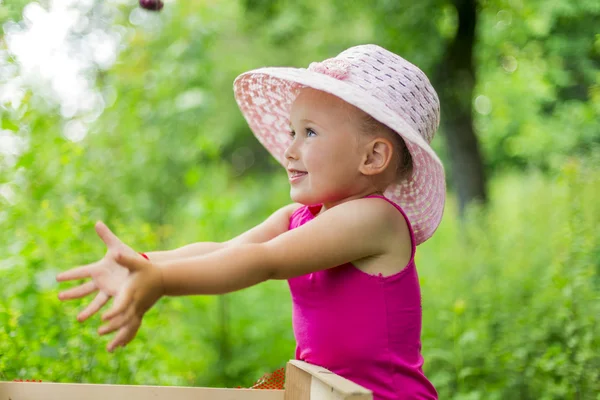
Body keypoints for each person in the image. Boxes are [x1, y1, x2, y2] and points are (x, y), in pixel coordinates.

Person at [56, 44, 445, 400]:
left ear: (373, 157)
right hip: (328, 393)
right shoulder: (299, 218)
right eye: (292, 132)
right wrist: (144, 262)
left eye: (309, 133)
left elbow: (264, 260)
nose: (290, 149)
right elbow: (225, 251)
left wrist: (162, 282)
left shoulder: (376, 218)